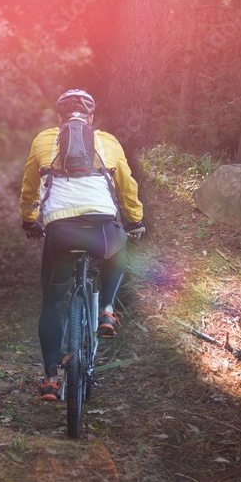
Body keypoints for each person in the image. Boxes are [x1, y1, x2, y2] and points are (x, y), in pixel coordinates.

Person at [19, 89, 145, 401]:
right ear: (91, 118)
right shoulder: (108, 141)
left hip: (60, 230)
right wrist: (135, 219)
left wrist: (28, 219)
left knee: (51, 303)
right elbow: (127, 186)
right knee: (120, 245)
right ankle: (106, 309)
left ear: (59, 117)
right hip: (102, 227)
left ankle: (50, 379)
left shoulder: (43, 140)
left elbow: (30, 186)